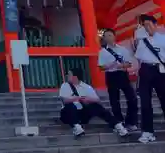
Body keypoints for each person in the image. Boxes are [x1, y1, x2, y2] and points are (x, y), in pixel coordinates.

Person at [59, 67, 129, 137]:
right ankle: (76, 127)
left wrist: (88, 99)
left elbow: (98, 100)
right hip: (68, 114)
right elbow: (64, 101)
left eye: (69, 74)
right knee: (70, 106)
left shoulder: (86, 87)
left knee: (95, 106)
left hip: (81, 112)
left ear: (75, 77)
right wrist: (76, 98)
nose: (67, 76)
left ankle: (117, 125)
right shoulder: (65, 86)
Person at [98, 29, 138, 131]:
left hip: (122, 74)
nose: (108, 38)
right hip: (111, 75)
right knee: (114, 100)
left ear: (114, 36)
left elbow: (129, 63)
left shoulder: (122, 49)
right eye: (106, 36)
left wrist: (122, 65)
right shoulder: (102, 52)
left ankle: (131, 121)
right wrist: (111, 65)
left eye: (110, 35)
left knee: (132, 98)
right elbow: (101, 68)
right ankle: (119, 121)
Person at [134, 14, 165, 143]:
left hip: (160, 70)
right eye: (145, 25)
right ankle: (147, 132)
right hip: (145, 70)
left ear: (155, 24)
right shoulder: (141, 41)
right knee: (145, 102)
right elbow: (138, 57)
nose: (147, 27)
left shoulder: (163, 39)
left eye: (149, 24)